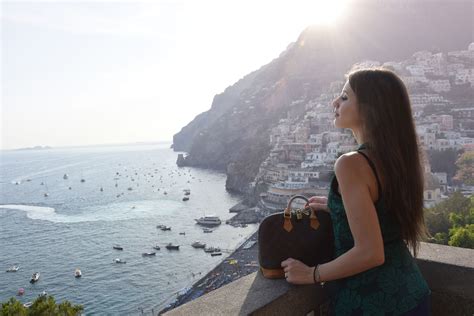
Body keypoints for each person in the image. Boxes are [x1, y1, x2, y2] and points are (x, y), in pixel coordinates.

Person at [281, 68, 431, 315]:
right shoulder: (398, 158)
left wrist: (311, 273)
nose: (335, 102)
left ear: (371, 108)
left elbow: (371, 252)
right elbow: (383, 215)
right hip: (413, 295)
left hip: (370, 304)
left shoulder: (350, 163)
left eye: (344, 97)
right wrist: (339, 209)